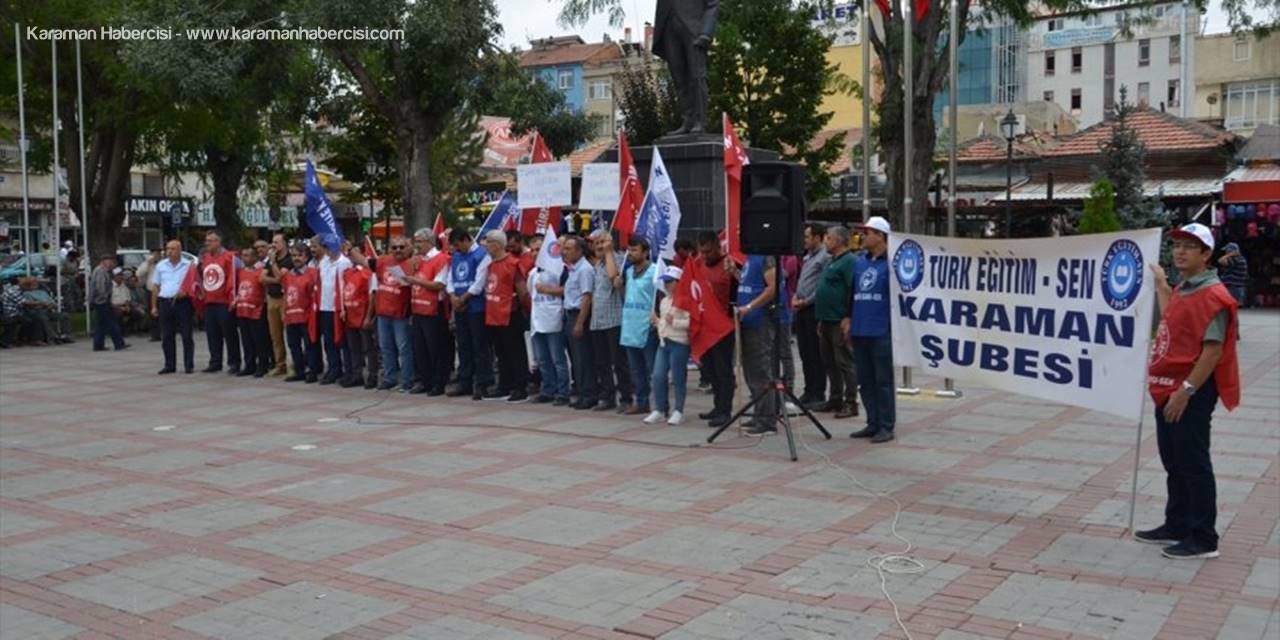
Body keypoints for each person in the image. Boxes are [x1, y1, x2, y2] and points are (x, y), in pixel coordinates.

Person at [1138, 223, 1240, 560]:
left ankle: (1203, 538)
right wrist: (1161, 285)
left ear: (1206, 255)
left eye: (1189, 246)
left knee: (1193, 462)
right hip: (1169, 385)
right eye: (1177, 245)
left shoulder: (1214, 295)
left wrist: (1186, 391)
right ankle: (1177, 523)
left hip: (1191, 388)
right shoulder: (1185, 287)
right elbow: (1172, 318)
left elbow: (1212, 351)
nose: (1180, 251)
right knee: (1174, 459)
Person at [848, 217, 895, 444]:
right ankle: (872, 422)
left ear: (880, 236)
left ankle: (886, 425)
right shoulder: (860, 262)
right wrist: (847, 318)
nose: (863, 237)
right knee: (865, 380)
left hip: (881, 330)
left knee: (883, 380)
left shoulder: (892, 264)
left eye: (867, 233)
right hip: (860, 328)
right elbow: (851, 292)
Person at [736, 254, 791, 436]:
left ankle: (767, 421)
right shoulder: (750, 258)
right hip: (747, 322)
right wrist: (734, 272)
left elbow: (772, 288)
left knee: (761, 371)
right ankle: (759, 413)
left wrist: (750, 307)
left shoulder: (766, 257)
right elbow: (751, 285)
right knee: (751, 372)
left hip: (760, 321)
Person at [813, 225, 859, 419]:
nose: (826, 241)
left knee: (844, 362)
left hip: (839, 320)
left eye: (829, 238)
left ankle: (851, 402)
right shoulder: (832, 261)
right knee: (829, 361)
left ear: (839, 240)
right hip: (826, 319)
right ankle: (835, 398)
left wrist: (848, 316)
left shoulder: (849, 261)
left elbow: (852, 289)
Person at [612, 236, 660, 417]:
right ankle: (641, 402)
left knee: (653, 369)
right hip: (630, 326)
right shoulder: (628, 271)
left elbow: (660, 296)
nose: (630, 253)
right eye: (629, 250)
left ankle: (660, 404)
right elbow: (627, 297)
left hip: (647, 327)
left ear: (645, 252)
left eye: (634, 250)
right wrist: (619, 286)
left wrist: (657, 319)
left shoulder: (655, 271)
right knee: (636, 369)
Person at [445, 228, 495, 400]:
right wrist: (452, 296)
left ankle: (483, 382)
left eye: (458, 245)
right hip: (460, 306)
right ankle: (465, 381)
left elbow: (479, 282)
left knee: (479, 346)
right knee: (463, 345)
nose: (457, 249)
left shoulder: (482, 255)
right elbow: (450, 278)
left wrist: (463, 299)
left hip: (476, 307)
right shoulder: (456, 256)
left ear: (466, 240)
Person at [481, 230, 530, 402]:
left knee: (515, 351)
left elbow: (522, 291)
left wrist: (525, 309)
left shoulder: (513, 264)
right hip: (494, 314)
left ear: (497, 244)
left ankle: (520, 387)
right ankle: (504, 385)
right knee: (501, 353)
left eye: (488, 242)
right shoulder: (491, 265)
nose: (486, 246)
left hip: (510, 313)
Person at [694, 231, 737, 428]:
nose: (705, 256)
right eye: (702, 252)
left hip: (723, 327)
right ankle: (717, 406)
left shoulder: (729, 265)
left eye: (708, 252)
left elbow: (740, 288)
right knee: (709, 369)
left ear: (718, 247)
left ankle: (725, 410)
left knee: (723, 370)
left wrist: (735, 273)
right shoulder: (698, 264)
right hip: (704, 326)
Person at [588, 230, 634, 412]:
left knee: (619, 362)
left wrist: (608, 253)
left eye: (603, 242)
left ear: (611, 242)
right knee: (602, 362)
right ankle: (607, 397)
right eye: (597, 243)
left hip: (614, 319)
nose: (600, 246)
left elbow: (612, 276)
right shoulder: (596, 265)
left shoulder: (619, 259)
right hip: (598, 320)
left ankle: (626, 398)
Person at [404, 230, 451, 395]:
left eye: (419, 241)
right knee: (420, 348)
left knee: (436, 348)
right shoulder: (418, 260)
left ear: (429, 242)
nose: (416, 245)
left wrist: (415, 280)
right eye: (415, 241)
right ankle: (425, 381)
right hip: (418, 308)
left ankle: (439, 382)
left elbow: (439, 285)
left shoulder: (441, 259)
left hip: (434, 309)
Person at [793, 223, 830, 407]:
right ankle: (808, 390)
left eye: (807, 237)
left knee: (815, 353)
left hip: (813, 309)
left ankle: (818, 392)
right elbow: (802, 281)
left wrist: (807, 301)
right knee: (805, 352)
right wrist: (795, 296)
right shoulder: (808, 257)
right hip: (800, 308)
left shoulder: (825, 257)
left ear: (817, 237)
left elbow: (821, 286)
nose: (804, 240)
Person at [529, 244, 571, 405]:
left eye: (538, 250)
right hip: (537, 319)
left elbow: (567, 290)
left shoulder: (559, 270)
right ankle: (547, 390)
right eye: (532, 250)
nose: (534, 253)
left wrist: (547, 290)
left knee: (558, 359)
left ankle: (563, 392)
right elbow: (530, 293)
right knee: (542, 359)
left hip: (553, 319)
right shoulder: (533, 273)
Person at [649, 265, 691, 425]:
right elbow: (664, 323)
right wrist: (657, 322)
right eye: (665, 281)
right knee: (658, 376)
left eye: (670, 281)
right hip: (664, 343)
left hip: (679, 343)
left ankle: (679, 410)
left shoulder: (686, 300)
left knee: (678, 378)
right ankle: (660, 409)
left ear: (679, 282)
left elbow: (692, 322)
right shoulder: (664, 301)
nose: (666, 285)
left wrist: (675, 322)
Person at [558, 235, 597, 409]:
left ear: (579, 251)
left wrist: (580, 323)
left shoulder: (585, 269)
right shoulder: (574, 269)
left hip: (579, 315)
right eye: (564, 248)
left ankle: (589, 394)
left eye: (568, 249)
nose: (564, 252)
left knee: (583, 358)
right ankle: (582, 393)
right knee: (576, 358)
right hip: (570, 314)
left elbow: (587, 297)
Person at [375, 236, 416, 392]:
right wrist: (349, 250)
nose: (398, 250)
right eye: (394, 247)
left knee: (403, 349)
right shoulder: (383, 260)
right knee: (386, 348)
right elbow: (366, 263)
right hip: (383, 312)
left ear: (408, 248)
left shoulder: (412, 264)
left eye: (401, 247)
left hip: (401, 314)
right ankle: (389, 378)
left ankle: (407, 380)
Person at [198, 230, 242, 373]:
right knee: (212, 334)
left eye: (210, 241)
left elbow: (239, 275)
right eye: (206, 241)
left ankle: (234, 362)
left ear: (218, 242)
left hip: (224, 302)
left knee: (229, 333)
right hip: (209, 301)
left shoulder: (230, 258)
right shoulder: (205, 258)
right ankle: (215, 361)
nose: (207, 243)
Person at [150, 240, 195, 374]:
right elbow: (156, 286)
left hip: (183, 303)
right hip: (165, 302)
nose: (169, 251)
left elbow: (194, 284)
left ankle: (188, 364)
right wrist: (154, 306)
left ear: (180, 250)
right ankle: (169, 365)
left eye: (173, 249)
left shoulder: (188, 265)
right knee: (167, 336)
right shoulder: (161, 266)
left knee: (186, 335)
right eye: (168, 248)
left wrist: (187, 292)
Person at [280, 244, 321, 383]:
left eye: (299, 255)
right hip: (291, 316)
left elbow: (315, 295)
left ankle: (312, 371)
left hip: (307, 316)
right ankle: (299, 371)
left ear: (306, 257)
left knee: (310, 345)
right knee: (293, 345)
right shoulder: (287, 275)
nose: (296, 258)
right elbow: (286, 294)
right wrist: (284, 312)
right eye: (293, 255)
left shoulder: (313, 273)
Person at [340, 244, 378, 389]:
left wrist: (369, 316)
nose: (352, 256)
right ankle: (357, 376)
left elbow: (372, 295)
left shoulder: (369, 273)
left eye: (355, 253)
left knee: (369, 348)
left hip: (363, 315)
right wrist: (343, 310)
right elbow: (344, 292)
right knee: (354, 347)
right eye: (350, 254)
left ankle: (372, 376)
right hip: (350, 315)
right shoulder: (347, 272)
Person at [314, 236, 351, 384]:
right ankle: (333, 368)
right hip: (325, 306)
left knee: (342, 341)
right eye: (325, 247)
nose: (328, 250)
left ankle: (346, 369)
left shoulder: (344, 263)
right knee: (328, 340)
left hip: (338, 307)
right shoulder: (323, 262)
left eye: (329, 247)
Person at [233, 247, 270, 378]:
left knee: (259, 340)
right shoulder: (241, 271)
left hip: (257, 310)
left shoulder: (262, 271)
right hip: (243, 309)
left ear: (255, 257)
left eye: (247, 255)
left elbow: (266, 290)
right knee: (246, 340)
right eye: (243, 255)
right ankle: (249, 365)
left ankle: (263, 365)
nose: (244, 258)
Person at [263, 234, 293, 376]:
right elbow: (261, 278)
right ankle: (280, 365)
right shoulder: (270, 260)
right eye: (272, 242)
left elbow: (282, 278)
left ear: (284, 243)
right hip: (272, 299)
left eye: (277, 242)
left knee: (290, 334)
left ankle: (294, 365)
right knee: (275, 335)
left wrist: (274, 263)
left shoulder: (289, 259)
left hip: (285, 299)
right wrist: (275, 278)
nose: (273, 245)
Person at [89, 255, 128, 351]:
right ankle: (119, 343)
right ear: (104, 261)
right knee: (111, 323)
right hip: (101, 301)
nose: (111, 264)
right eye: (110, 262)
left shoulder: (102, 271)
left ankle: (98, 345)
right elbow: (100, 287)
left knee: (101, 324)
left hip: (100, 301)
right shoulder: (100, 272)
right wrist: (106, 298)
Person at [19, 277, 73, 345]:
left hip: (48, 310)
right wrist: (42, 304)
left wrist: (51, 305)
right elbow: (30, 305)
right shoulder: (26, 294)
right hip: (36, 312)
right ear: (28, 285)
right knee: (43, 318)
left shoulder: (43, 292)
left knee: (64, 315)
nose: (36, 284)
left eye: (36, 282)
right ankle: (52, 337)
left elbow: (52, 302)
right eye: (33, 283)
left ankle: (65, 335)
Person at [1217, 241, 1248, 309]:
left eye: (1227, 251)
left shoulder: (1237, 259)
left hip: (1233, 288)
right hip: (1233, 287)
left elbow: (1220, 260)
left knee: (1227, 308)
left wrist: (1229, 255)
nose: (1225, 252)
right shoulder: (1237, 259)